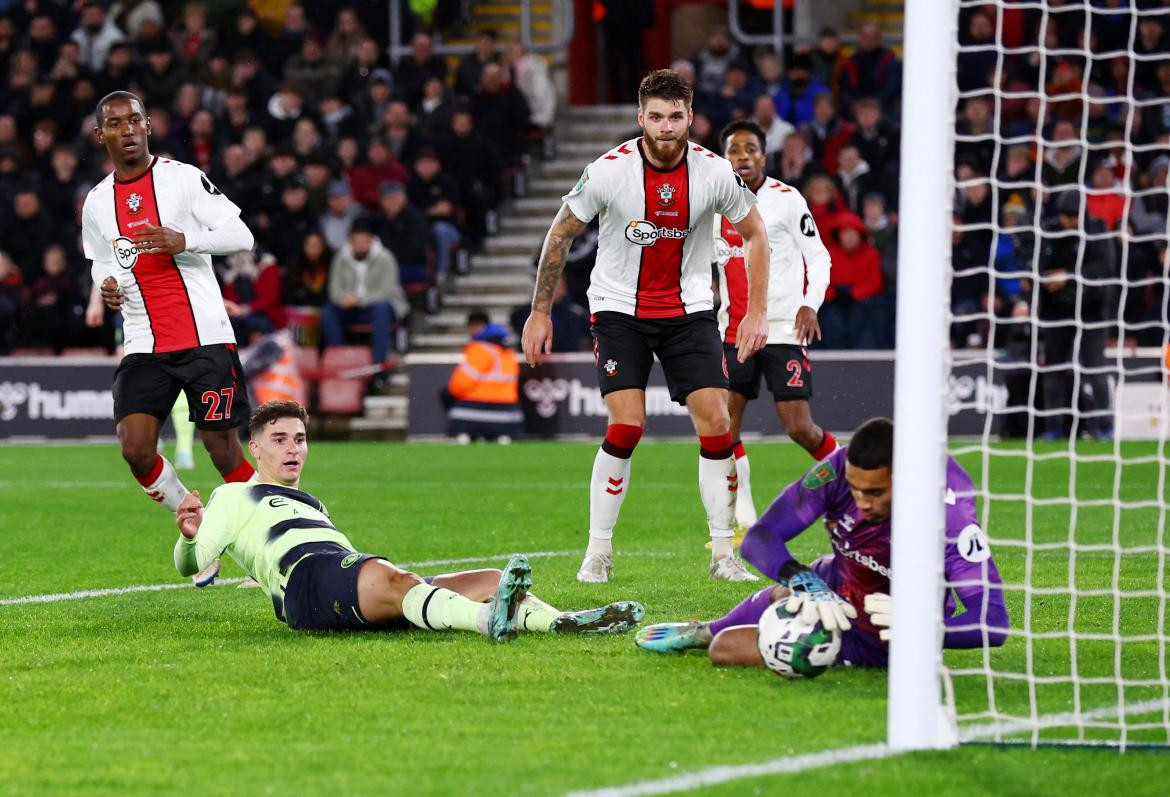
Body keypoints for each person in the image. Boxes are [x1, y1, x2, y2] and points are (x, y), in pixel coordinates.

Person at [520, 70, 771, 583]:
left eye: (675, 117)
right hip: (619, 310)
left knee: (718, 422)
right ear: (640, 118)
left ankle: (724, 556)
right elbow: (561, 233)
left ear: (690, 118)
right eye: (655, 116)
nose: (665, 127)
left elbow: (756, 234)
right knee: (627, 425)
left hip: (689, 311)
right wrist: (540, 311)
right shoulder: (609, 171)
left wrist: (756, 311)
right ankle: (598, 552)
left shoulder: (714, 172)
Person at [175, 400, 645, 639]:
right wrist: (188, 539)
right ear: (254, 448)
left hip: (340, 573)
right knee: (390, 577)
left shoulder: (314, 504)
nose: (293, 448)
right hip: (306, 582)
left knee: (489, 577)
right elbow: (195, 559)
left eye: (299, 438)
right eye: (279, 440)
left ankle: (561, 622)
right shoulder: (235, 494)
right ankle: (487, 622)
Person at [635, 417, 1010, 668]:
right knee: (732, 632)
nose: (862, 501)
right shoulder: (836, 470)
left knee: (727, 651)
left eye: (875, 492)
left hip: (888, 630)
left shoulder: (951, 517)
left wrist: (925, 627)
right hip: (837, 586)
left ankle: (730, 634)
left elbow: (993, 622)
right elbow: (762, 537)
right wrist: (803, 582)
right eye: (855, 489)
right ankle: (708, 627)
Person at [83, 91, 257, 517]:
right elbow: (101, 258)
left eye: (134, 120)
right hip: (143, 341)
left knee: (222, 450)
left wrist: (186, 240)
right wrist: (105, 282)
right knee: (136, 449)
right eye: (115, 123)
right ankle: (192, 517)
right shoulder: (96, 202)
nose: (126, 129)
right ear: (99, 134)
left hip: (203, 336)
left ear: (148, 126)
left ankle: (275, 540)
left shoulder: (182, 178)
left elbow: (242, 237)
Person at [715, 121, 837, 536]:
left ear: (764, 157)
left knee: (799, 427)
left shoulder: (786, 200)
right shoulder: (714, 205)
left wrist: (810, 303)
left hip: (784, 327)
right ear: (724, 158)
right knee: (723, 428)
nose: (743, 156)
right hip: (732, 333)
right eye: (735, 150)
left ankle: (852, 480)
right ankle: (743, 516)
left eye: (751, 149)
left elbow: (818, 257)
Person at [442, 310, 523, 444]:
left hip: (477, 406)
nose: (473, 330)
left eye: (475, 326)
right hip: (508, 411)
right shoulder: (507, 351)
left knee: (446, 394)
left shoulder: (480, 349)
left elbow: (460, 384)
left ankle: (466, 431)